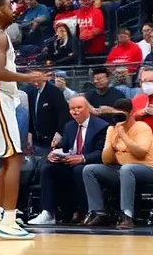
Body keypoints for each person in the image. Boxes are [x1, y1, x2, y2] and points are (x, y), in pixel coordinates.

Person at [0, 0, 47, 239]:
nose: (14, 9)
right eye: (9, 6)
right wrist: (30, 77)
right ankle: (9, 221)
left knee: (8, 159)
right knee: (14, 158)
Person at [29, 96, 109, 225]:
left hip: (91, 165)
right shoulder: (69, 126)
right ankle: (48, 212)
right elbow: (64, 146)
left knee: (79, 170)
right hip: (71, 163)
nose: (75, 111)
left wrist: (82, 158)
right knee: (48, 167)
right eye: (72, 108)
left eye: (79, 108)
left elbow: (102, 153)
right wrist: (54, 153)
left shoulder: (101, 126)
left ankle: (84, 211)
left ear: (87, 109)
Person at [82, 97, 153, 228]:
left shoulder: (142, 127)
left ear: (131, 113)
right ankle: (99, 213)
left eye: (121, 115)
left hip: (147, 169)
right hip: (121, 169)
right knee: (89, 170)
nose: (118, 118)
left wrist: (123, 135)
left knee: (127, 169)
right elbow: (106, 160)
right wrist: (111, 143)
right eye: (115, 115)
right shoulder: (112, 130)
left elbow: (140, 153)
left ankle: (127, 215)